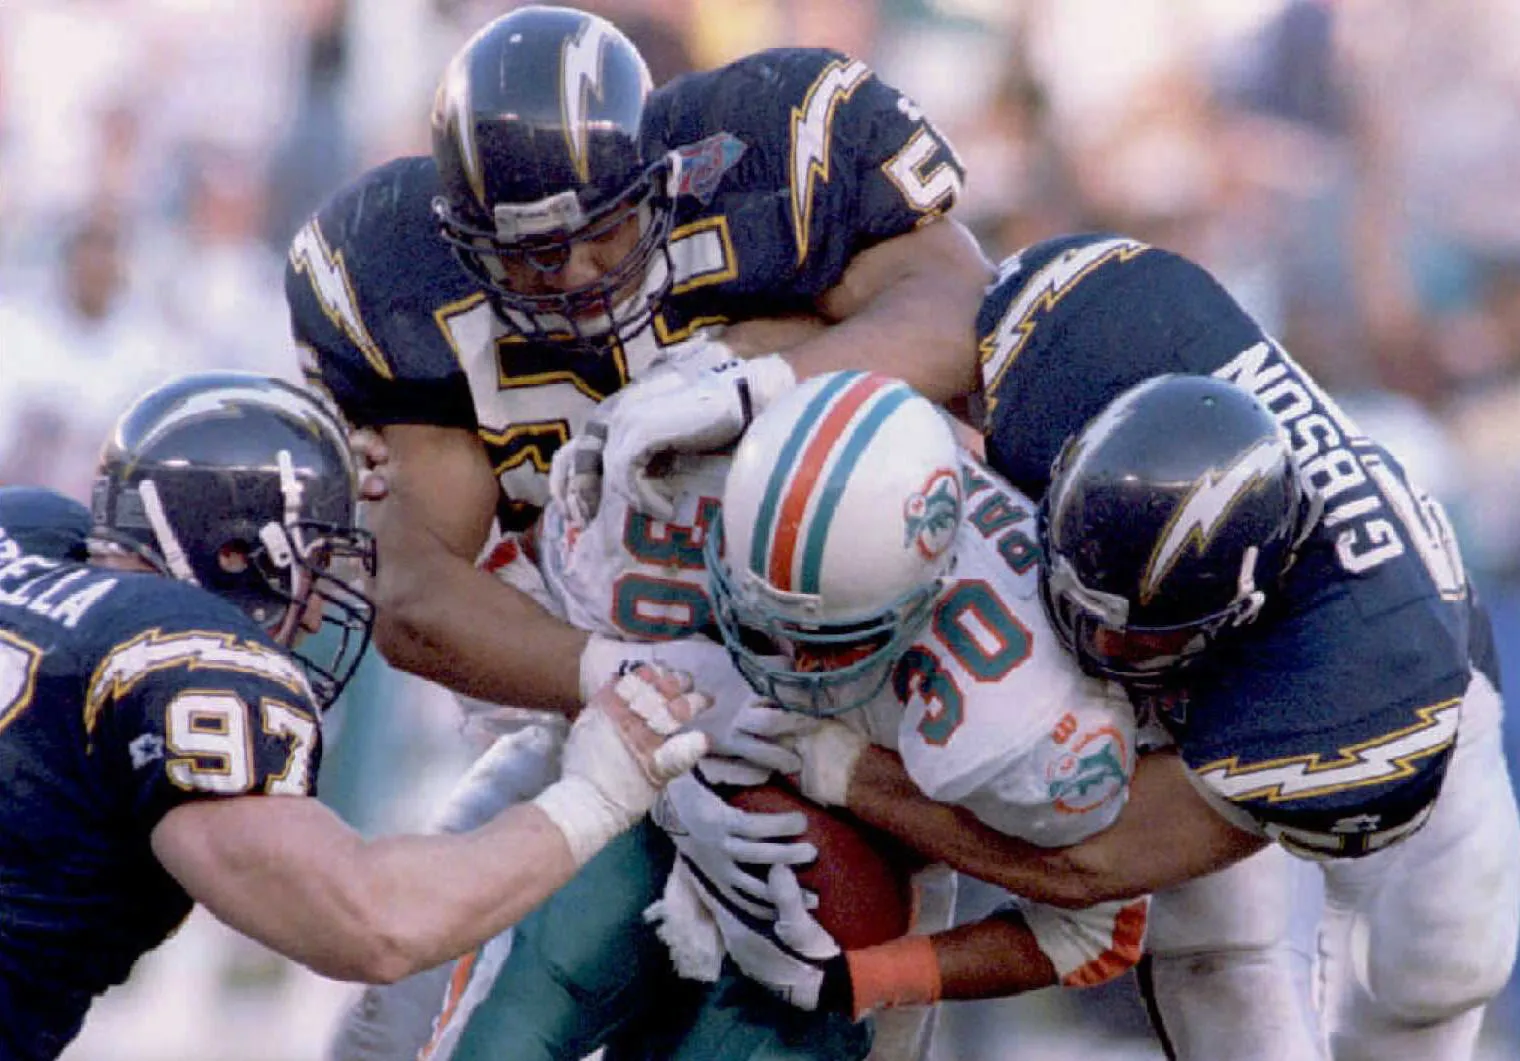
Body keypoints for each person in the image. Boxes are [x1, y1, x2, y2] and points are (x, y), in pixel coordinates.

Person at [287, 6, 989, 1056]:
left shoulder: (773, 155)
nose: (572, 277)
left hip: (853, 725)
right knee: (397, 1032)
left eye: (602, 231)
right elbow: (416, 595)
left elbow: (958, 310)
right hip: (604, 710)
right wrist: (633, 687)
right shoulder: (400, 281)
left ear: (664, 178)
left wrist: (759, 387)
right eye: (529, 258)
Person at [770, 234, 1520, 1061]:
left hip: (1404, 700)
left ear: (1234, 609)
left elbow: (1092, 869)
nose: (1078, 638)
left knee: (1426, 970)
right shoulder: (1089, 334)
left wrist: (836, 763)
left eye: (1122, 632)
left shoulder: (1358, 677)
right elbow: (917, 332)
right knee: (1215, 968)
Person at [415, 370, 1149, 1061]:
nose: (782, 660)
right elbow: (543, 641)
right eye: (758, 620)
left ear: (930, 597)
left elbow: (1098, 930)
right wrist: (666, 763)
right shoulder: (687, 454)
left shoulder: (1027, 704)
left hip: (841, 914)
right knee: (504, 1030)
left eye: (822, 640)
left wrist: (864, 976)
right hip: (650, 793)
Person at [0, 371, 713, 1061]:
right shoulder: (180, 655)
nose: (313, 611)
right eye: (312, 565)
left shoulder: (25, 537)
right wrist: (594, 795)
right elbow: (374, 920)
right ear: (234, 552)